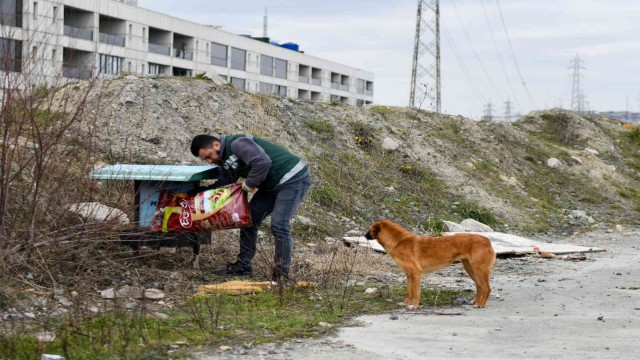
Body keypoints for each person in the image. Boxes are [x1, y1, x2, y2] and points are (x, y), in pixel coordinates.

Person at [189, 134, 311, 283]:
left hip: (292, 179)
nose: (209, 161)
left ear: (216, 145)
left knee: (279, 225)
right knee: (249, 220)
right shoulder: (225, 160)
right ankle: (243, 266)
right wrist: (198, 194)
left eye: (209, 156)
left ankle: (281, 276)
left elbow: (262, 162)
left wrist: (250, 183)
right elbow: (224, 182)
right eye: (205, 160)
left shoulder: (237, 144)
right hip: (271, 185)